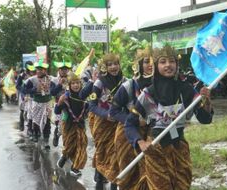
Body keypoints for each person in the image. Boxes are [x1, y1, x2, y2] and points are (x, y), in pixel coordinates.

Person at [125, 46, 213, 190]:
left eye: (172, 61)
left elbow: (205, 119)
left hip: (180, 148)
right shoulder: (148, 94)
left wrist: (207, 102)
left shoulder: (186, 89)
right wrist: (140, 142)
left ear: (177, 65)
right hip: (156, 149)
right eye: (163, 62)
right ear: (156, 66)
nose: (168, 65)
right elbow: (129, 124)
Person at [109, 48, 153, 189]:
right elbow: (114, 111)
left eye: (153, 61)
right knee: (128, 172)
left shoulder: (160, 85)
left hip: (151, 133)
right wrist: (133, 118)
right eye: (146, 62)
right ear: (139, 65)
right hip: (127, 133)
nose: (150, 65)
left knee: (149, 172)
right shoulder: (128, 86)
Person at [89, 53, 125, 190]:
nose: (114, 67)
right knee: (102, 151)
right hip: (102, 123)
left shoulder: (125, 81)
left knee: (116, 153)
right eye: (110, 65)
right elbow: (91, 105)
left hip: (118, 123)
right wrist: (105, 114)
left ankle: (114, 184)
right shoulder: (99, 83)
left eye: (116, 64)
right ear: (105, 67)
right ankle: (99, 178)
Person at [54, 72, 89, 176]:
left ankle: (75, 167)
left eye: (78, 83)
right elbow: (57, 111)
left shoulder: (84, 96)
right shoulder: (64, 97)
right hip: (68, 125)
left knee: (82, 145)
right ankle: (65, 156)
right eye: (73, 83)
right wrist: (59, 103)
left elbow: (88, 109)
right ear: (69, 85)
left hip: (80, 125)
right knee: (70, 146)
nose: (76, 85)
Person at [25, 61, 52, 149]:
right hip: (36, 103)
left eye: (42, 69)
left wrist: (59, 85)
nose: (39, 71)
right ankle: (35, 134)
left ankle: (46, 141)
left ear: (45, 70)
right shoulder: (31, 79)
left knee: (47, 122)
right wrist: (35, 89)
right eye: (38, 69)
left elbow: (55, 90)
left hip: (47, 103)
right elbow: (23, 90)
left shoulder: (51, 79)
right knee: (36, 121)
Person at [50, 61, 72, 147]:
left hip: (70, 106)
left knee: (68, 125)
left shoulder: (72, 79)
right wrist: (59, 84)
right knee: (60, 124)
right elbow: (52, 92)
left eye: (65, 69)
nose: (64, 71)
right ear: (59, 70)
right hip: (59, 106)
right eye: (62, 69)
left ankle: (68, 146)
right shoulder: (54, 80)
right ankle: (57, 134)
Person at [16, 61, 36, 131]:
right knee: (22, 110)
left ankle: (31, 127)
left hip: (32, 95)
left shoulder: (35, 73)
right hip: (23, 95)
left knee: (32, 112)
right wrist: (24, 91)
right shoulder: (22, 75)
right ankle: (21, 126)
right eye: (28, 66)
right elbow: (17, 86)